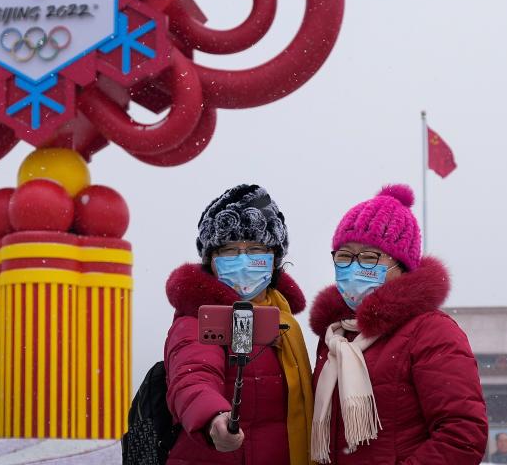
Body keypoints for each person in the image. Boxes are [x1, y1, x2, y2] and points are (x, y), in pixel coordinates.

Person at [308, 184, 488, 464]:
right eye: (344, 256)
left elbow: (462, 435)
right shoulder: (337, 337)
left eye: (369, 257)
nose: (354, 267)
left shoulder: (431, 332)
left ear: (401, 267)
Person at [163, 184, 315, 465]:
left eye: (256, 248)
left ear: (274, 260)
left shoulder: (284, 322)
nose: (243, 260)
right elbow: (193, 375)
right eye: (230, 250)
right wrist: (214, 417)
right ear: (212, 261)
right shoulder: (196, 318)